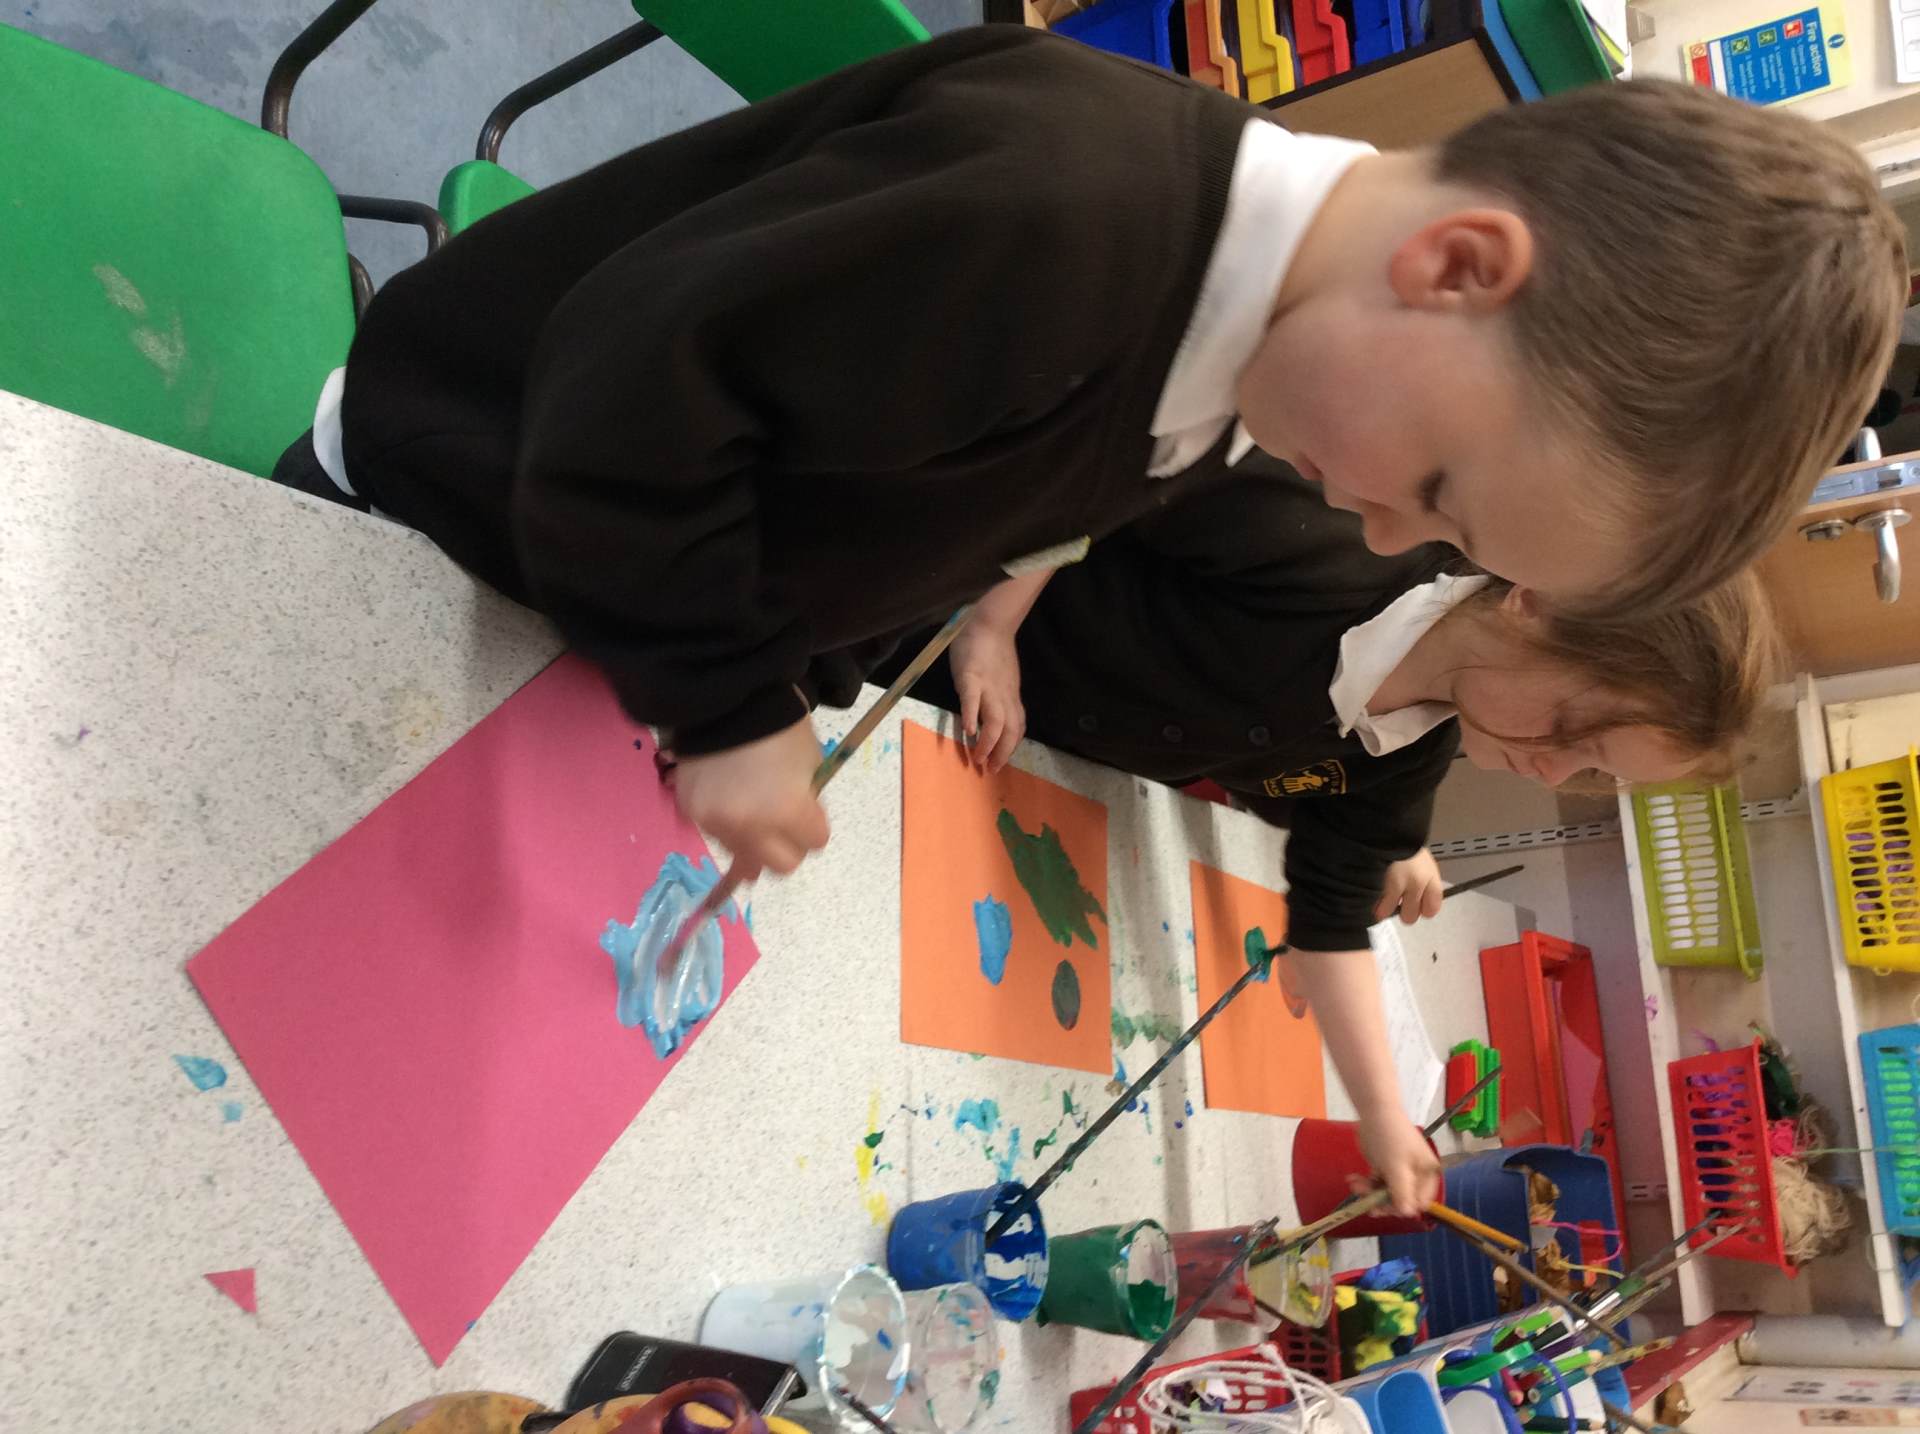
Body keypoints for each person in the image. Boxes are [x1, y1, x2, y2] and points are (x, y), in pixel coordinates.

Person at [269, 25, 1899, 883]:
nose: (1382, 538)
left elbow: (920, 498)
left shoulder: (1234, 373)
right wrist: (727, 703)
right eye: (1442, 497)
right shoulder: (1062, 215)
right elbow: (621, 400)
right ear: (1456, 268)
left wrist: (797, 669)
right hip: (407, 516)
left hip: (566, 621)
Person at [882, 464, 1781, 1213]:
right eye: (1573, 728)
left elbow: (1331, 924)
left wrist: (1383, 1115)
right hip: (925, 616)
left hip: (991, 759)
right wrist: (992, 624)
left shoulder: (1408, 758)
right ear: (1536, 602)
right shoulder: (1340, 542)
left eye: (1591, 771)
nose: (1551, 771)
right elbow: (1099, 471)